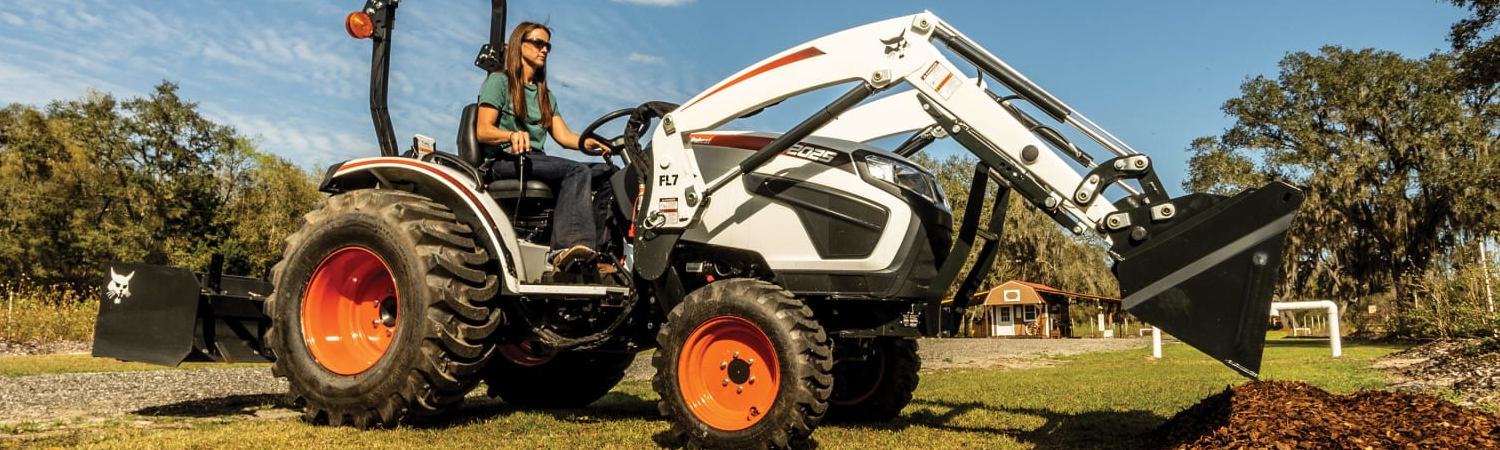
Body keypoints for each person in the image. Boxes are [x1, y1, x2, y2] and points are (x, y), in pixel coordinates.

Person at [475, 21, 611, 273]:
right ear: (520, 45)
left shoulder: (545, 95)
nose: (545, 49)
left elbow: (566, 137)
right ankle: (566, 249)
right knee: (577, 171)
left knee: (606, 175)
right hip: (506, 160)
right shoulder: (499, 82)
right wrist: (511, 134)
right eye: (538, 43)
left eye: (548, 45)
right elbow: (483, 130)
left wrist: (595, 142)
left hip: (536, 160)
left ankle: (601, 254)